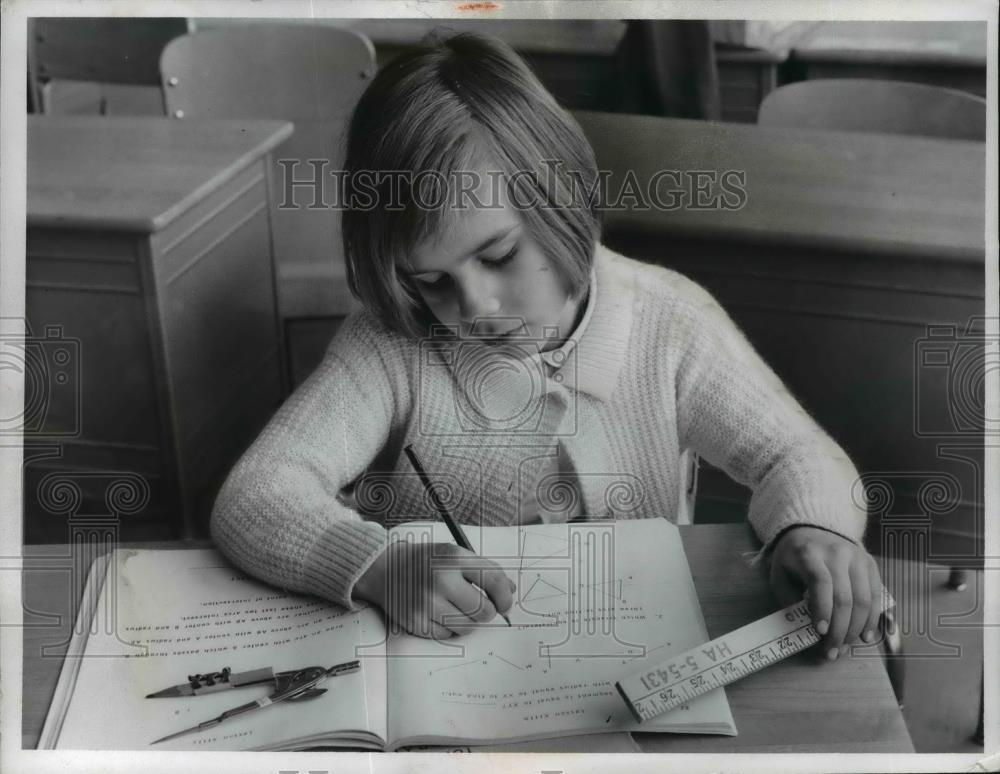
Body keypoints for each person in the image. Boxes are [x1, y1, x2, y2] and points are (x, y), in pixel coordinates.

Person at [211, 32, 883, 660]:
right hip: (445, 667)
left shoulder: (668, 319)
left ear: (562, 199)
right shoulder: (392, 340)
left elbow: (794, 452)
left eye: (499, 254)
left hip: (633, 656)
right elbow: (257, 493)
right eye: (431, 280)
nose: (474, 308)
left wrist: (813, 529)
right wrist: (377, 564)